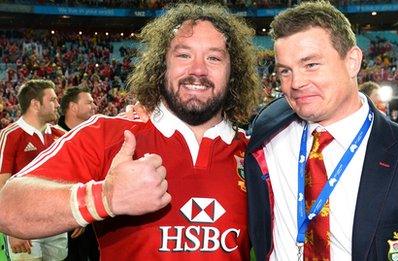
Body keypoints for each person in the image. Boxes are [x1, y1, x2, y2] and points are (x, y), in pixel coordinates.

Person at [0, 4, 260, 260]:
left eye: (213, 57)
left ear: (232, 73)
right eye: (183, 55)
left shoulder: (257, 155)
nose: (198, 70)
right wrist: (105, 197)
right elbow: (7, 207)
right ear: (161, 67)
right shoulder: (108, 135)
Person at [245, 1, 398, 260]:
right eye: (285, 71)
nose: (297, 83)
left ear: (352, 61)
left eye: (311, 64)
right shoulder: (268, 131)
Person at [0, 79, 68, 261]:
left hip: (57, 218)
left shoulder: (59, 135)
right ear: (35, 104)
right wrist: (10, 228)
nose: (57, 104)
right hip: (23, 223)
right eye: (52, 100)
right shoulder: (10, 134)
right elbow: (2, 183)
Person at [57, 87, 99, 261]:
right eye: (89, 102)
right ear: (73, 107)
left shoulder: (93, 134)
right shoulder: (53, 136)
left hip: (93, 216)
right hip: (67, 218)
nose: (94, 106)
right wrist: (74, 214)